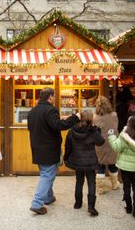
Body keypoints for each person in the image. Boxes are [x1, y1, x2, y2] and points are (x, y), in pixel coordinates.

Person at [27, 87, 79, 215]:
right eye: (54, 96)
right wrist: (75, 118)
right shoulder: (51, 110)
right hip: (49, 149)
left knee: (47, 173)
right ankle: (37, 203)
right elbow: (59, 125)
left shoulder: (32, 111)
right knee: (47, 175)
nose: (54, 99)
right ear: (50, 97)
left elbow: (30, 128)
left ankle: (48, 197)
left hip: (37, 148)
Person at [64, 109, 105, 216]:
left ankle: (78, 203)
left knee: (79, 181)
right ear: (91, 119)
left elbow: (67, 146)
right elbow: (101, 142)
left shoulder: (72, 130)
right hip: (90, 161)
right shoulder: (93, 131)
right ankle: (91, 206)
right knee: (91, 182)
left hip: (77, 160)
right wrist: (97, 130)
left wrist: (66, 157)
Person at [108, 115, 135, 218]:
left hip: (124, 166)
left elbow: (116, 147)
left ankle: (128, 207)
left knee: (126, 185)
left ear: (129, 124)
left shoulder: (124, 136)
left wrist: (111, 136)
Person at [93, 96, 119, 195]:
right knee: (113, 164)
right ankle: (114, 184)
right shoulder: (114, 115)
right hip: (113, 142)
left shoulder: (95, 117)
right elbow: (116, 127)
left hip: (101, 143)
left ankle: (101, 188)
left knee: (100, 165)